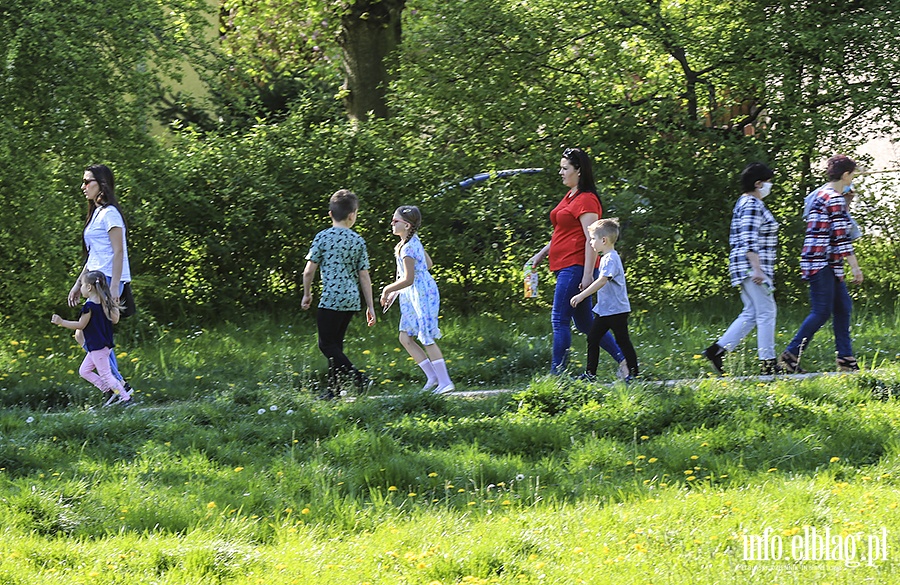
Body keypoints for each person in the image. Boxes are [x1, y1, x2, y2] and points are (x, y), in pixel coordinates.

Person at [528, 147, 629, 377]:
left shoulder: (587, 200)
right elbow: (562, 232)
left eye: (565, 168)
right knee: (585, 324)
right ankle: (625, 361)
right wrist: (543, 253)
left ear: (579, 171)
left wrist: (586, 274)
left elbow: (590, 238)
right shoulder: (571, 194)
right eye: (561, 168)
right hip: (563, 265)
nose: (561, 172)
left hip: (575, 267)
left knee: (559, 319)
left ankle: (557, 376)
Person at [780, 155, 864, 373]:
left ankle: (845, 358)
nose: (853, 178)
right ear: (845, 175)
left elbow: (828, 222)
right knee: (821, 311)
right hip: (821, 262)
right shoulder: (833, 198)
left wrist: (846, 204)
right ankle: (791, 354)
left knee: (843, 307)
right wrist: (855, 267)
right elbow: (841, 238)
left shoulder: (820, 194)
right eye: (853, 174)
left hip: (825, 262)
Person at [703, 163, 781, 375]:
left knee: (753, 312)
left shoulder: (747, 203)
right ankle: (768, 363)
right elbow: (749, 239)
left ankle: (717, 351)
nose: (770, 186)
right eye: (768, 182)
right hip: (752, 267)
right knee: (767, 311)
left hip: (748, 266)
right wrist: (757, 269)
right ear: (758, 183)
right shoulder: (751, 204)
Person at [301, 189, 377, 399]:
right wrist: (370, 306)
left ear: (330, 214)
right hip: (351, 300)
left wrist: (307, 294)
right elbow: (364, 276)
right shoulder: (358, 240)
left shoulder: (322, 237)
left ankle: (360, 379)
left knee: (325, 344)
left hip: (331, 298)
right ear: (352, 215)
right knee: (336, 345)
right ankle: (333, 392)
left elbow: (309, 271)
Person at [68, 164, 133, 394]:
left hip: (107, 280)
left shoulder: (111, 214)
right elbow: (94, 254)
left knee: (90, 334)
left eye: (88, 182)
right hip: (94, 278)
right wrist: (78, 284)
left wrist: (115, 286)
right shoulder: (96, 213)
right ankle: (118, 385)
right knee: (85, 334)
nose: (83, 186)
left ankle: (117, 387)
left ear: (102, 184)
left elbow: (118, 251)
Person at [379, 205, 454, 394]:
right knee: (405, 337)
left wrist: (387, 290)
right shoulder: (408, 243)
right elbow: (428, 264)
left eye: (395, 221)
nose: (392, 223)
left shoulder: (408, 248)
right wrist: (396, 293)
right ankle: (433, 377)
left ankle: (446, 382)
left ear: (406, 225)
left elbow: (409, 278)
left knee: (426, 336)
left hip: (422, 294)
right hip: (411, 295)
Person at [570, 218, 639, 381]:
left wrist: (582, 295)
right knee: (593, 338)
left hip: (617, 311)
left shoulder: (611, 259)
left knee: (623, 341)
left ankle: (634, 374)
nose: (591, 242)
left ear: (604, 240)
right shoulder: (606, 258)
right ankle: (590, 374)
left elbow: (602, 281)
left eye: (593, 239)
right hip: (605, 310)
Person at [52, 271, 132, 406]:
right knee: (84, 371)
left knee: (106, 375)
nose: (81, 288)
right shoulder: (105, 304)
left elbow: (80, 325)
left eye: (82, 285)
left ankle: (126, 399)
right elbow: (114, 320)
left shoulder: (89, 307)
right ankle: (108, 390)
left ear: (89, 287)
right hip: (102, 345)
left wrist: (62, 322)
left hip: (97, 347)